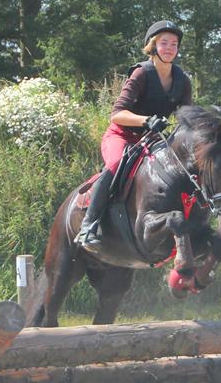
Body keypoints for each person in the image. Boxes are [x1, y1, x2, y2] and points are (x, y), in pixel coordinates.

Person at [74, 20, 193, 249]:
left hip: (152, 141)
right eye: (164, 43)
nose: (169, 48)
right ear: (153, 46)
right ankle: (89, 226)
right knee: (117, 162)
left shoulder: (182, 80)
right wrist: (146, 120)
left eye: (174, 44)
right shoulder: (141, 73)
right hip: (122, 136)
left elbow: (186, 117)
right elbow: (116, 114)